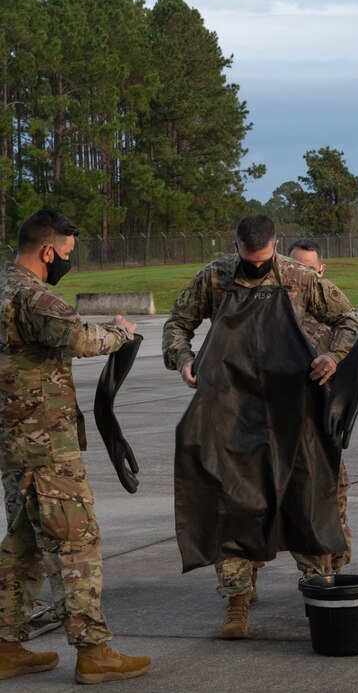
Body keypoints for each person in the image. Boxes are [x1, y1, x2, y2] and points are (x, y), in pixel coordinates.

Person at [162, 216, 358, 640]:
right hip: (231, 408)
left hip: (294, 409)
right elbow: (177, 324)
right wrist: (183, 360)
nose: (254, 267)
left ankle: (319, 592)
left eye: (263, 259)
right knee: (232, 502)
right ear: (234, 246)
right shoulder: (213, 277)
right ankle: (237, 602)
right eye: (247, 259)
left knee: (303, 498)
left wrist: (333, 358)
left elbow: (348, 321)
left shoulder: (301, 277)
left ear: (276, 246)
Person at [0, 210, 151, 683]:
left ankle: (5, 645)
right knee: (75, 544)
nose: (66, 261)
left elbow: (57, 334)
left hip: (13, 442)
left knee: (22, 545)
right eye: (65, 254)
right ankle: (93, 650)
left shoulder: (5, 287)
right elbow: (81, 339)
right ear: (47, 251)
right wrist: (121, 333)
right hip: (46, 446)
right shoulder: (34, 295)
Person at [286, 238, 352, 576]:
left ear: (321, 271)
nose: (301, 277)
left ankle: (333, 576)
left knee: (330, 502)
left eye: (308, 270)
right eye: (294, 268)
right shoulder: (274, 314)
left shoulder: (334, 322)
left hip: (320, 429)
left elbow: (354, 367)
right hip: (274, 426)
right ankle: (241, 592)